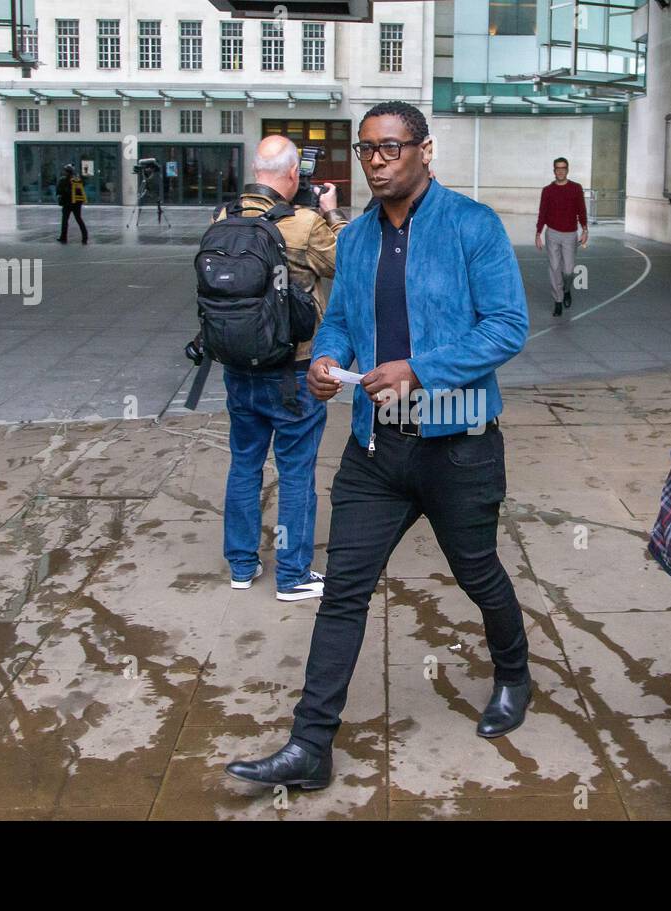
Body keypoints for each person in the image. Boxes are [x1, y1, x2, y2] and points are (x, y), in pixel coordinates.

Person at [225, 101, 532, 791]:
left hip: (459, 444)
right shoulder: (357, 238)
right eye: (367, 150)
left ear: (425, 151)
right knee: (344, 593)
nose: (377, 161)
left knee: (479, 573)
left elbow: (508, 327)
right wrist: (325, 360)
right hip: (375, 448)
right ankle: (310, 744)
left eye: (391, 147)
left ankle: (514, 675)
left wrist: (422, 368)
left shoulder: (472, 227)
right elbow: (337, 321)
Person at [215, 135, 349, 601]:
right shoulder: (306, 223)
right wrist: (332, 211)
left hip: (237, 368)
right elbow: (349, 262)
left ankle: (241, 565)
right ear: (294, 174)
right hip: (295, 370)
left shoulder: (224, 218)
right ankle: (293, 574)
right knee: (295, 472)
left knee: (244, 466)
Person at [535, 157, 587, 317]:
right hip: (552, 234)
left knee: (568, 270)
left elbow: (581, 210)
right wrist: (538, 233)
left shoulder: (576, 188)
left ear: (567, 169)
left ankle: (566, 289)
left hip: (570, 234)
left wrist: (585, 229)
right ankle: (557, 301)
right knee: (555, 268)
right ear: (554, 171)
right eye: (557, 168)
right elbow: (542, 212)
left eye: (563, 168)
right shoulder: (547, 190)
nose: (560, 171)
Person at [56, 164, 88, 244]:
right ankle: (85, 237)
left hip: (67, 203)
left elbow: (59, 191)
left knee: (65, 220)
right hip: (77, 203)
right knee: (79, 219)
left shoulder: (63, 180)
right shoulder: (77, 179)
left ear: (66, 172)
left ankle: (63, 237)